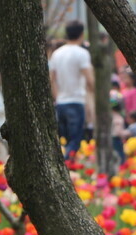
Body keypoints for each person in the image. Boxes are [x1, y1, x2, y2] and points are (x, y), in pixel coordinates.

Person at [49, 21, 93, 159]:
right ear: (81, 34)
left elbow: (51, 79)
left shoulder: (56, 54)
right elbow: (89, 80)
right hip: (76, 101)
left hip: (61, 103)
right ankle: (68, 167)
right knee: (75, 141)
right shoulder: (82, 54)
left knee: (65, 140)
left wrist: (56, 96)